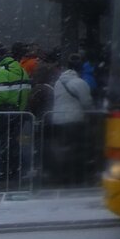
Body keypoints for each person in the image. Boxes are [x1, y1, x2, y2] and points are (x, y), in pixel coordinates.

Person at [48, 54, 94, 185]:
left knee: (62, 149)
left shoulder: (58, 82)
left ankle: (62, 176)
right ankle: (75, 177)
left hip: (58, 119)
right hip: (74, 119)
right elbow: (87, 102)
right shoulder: (80, 83)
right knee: (76, 149)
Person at [0, 43, 31, 182]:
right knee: (15, 142)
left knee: (5, 142)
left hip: (7, 111)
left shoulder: (2, 71)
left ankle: (7, 171)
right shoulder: (21, 70)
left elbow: (2, 95)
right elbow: (27, 91)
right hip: (20, 112)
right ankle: (15, 170)